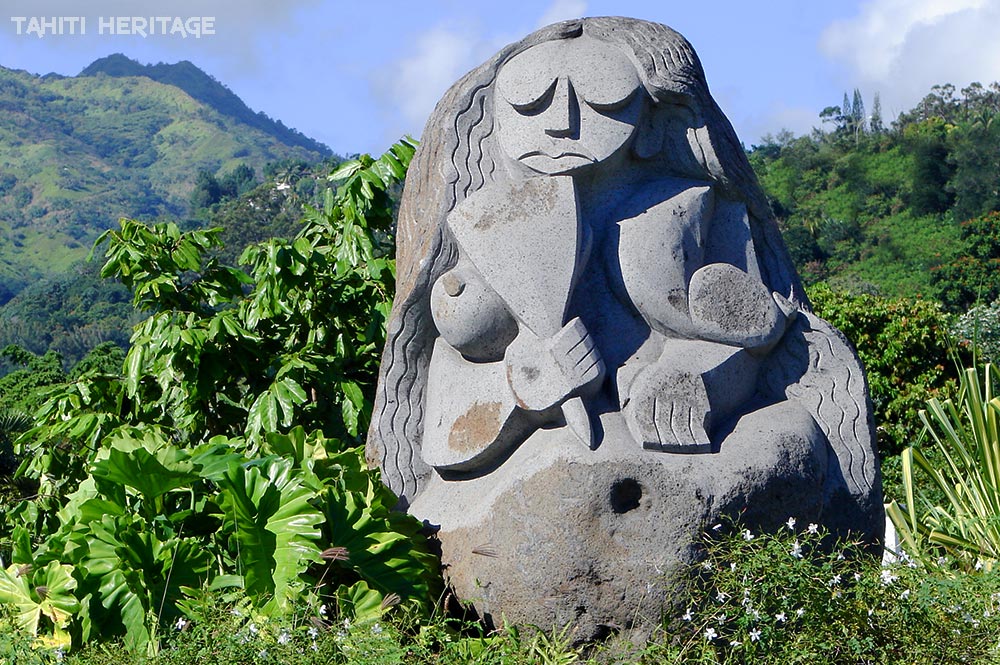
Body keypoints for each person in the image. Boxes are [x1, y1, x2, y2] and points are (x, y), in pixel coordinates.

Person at [368, 18, 877, 516]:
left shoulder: (698, 208)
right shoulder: (477, 229)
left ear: (657, 124)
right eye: (530, 103)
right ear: (494, 125)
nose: (561, 122)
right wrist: (518, 390)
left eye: (601, 102)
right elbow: (433, 408)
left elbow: (765, 338)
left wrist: (694, 374)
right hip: (527, 502)